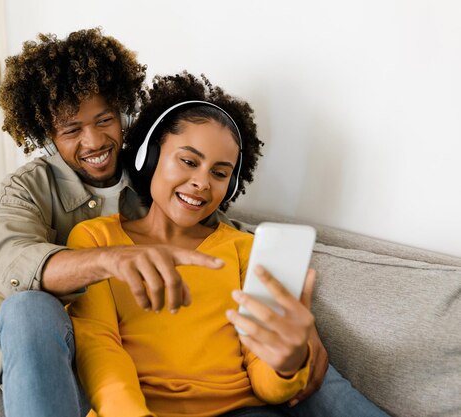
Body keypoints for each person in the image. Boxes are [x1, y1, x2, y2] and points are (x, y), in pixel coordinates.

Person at [0, 27, 371, 417]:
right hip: (59, 357)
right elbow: (15, 266)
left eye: (105, 120)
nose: (94, 141)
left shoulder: (196, 211)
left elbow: (214, 234)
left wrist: (293, 344)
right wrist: (111, 260)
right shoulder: (40, 198)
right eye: (72, 129)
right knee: (26, 307)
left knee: (308, 358)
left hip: (241, 399)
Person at [67, 72, 389, 417]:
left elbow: (266, 384)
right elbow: (98, 349)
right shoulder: (96, 239)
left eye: (219, 173)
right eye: (188, 161)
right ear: (150, 156)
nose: (202, 183)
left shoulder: (244, 249)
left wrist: (287, 363)